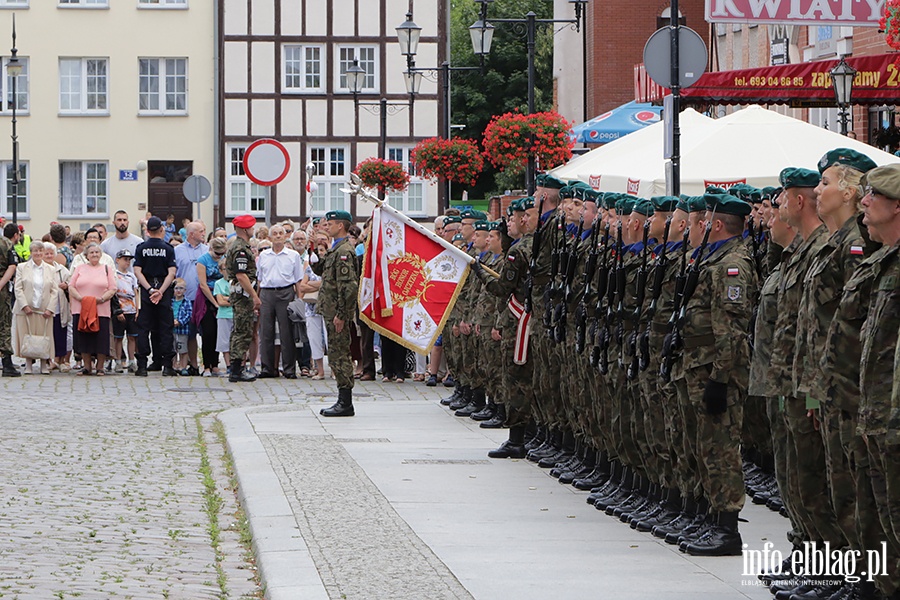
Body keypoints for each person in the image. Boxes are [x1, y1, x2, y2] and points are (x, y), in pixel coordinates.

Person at [311, 210, 359, 416]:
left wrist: (342, 314)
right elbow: (319, 270)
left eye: (330, 224)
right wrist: (312, 248)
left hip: (337, 312)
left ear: (341, 226)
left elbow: (349, 287)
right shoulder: (335, 249)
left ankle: (345, 401)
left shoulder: (345, 251)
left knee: (340, 356)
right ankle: (342, 399)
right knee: (336, 354)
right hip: (330, 310)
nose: (326, 227)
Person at [133, 216, 178, 377]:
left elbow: (137, 271)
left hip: (146, 290)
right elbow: (171, 272)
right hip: (163, 291)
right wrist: (161, 291)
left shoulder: (141, 248)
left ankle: (142, 365)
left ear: (147, 231)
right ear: (161, 229)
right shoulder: (168, 248)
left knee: (144, 327)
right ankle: (167, 366)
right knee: (165, 328)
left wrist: (150, 289)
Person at [257, 224, 303, 379]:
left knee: (287, 332)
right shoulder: (264, 255)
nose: (277, 236)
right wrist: (256, 298)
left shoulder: (293, 255)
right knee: (266, 332)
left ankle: (289, 369)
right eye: (274, 233)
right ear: (270, 237)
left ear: (285, 237)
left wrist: (300, 300)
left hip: (286, 292)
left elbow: (298, 280)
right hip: (267, 293)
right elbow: (259, 278)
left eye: (280, 233)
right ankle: (268, 368)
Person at [68, 243, 117, 376]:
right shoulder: (80, 268)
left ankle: (100, 366)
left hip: (101, 309)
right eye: (91, 252)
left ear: (101, 255)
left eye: (97, 252)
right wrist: (80, 298)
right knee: (84, 338)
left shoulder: (107, 269)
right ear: (86, 255)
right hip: (82, 307)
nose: (94, 255)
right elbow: (71, 286)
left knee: (100, 338)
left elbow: (113, 288)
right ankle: (87, 366)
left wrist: (101, 299)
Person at [13, 240, 59, 374]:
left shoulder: (50, 269)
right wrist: (24, 305)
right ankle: (28, 364)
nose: (38, 253)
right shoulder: (22, 267)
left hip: (44, 309)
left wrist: (50, 308)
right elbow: (18, 288)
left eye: (40, 251)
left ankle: (44, 364)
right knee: (27, 335)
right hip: (27, 309)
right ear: (31, 252)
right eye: (35, 251)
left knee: (44, 336)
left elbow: (54, 290)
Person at [225, 214, 260, 382]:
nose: (253, 230)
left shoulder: (239, 246)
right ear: (245, 229)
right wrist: (254, 296)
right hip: (243, 295)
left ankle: (237, 367)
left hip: (241, 295)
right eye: (252, 227)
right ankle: (237, 369)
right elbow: (241, 275)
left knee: (240, 330)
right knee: (242, 331)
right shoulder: (241, 249)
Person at [174, 221, 208, 376]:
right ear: (191, 233)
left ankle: (201, 364)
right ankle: (186, 364)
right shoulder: (178, 251)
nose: (203, 233)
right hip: (184, 300)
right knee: (187, 334)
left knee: (203, 333)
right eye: (201, 231)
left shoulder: (207, 250)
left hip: (202, 298)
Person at [197, 237, 226, 376]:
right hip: (206, 297)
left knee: (218, 332)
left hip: (222, 294)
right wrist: (214, 302)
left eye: (222, 254)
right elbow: (203, 284)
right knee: (207, 332)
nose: (219, 257)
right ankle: (206, 365)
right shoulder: (202, 260)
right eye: (217, 254)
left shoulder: (225, 259)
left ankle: (215, 364)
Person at [43, 243, 72, 373]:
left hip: (59, 306)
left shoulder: (61, 270)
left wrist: (66, 285)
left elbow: (71, 281)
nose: (49, 256)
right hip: (44, 307)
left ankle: (60, 360)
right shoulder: (40, 269)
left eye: (51, 253)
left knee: (60, 333)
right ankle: (48, 360)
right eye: (46, 253)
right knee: (46, 334)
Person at [299, 247, 325, 379]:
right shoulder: (309, 268)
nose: (319, 253)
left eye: (321, 250)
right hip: (311, 307)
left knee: (329, 339)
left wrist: (312, 283)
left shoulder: (329, 267)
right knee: (314, 339)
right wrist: (319, 284)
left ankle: (334, 369)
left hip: (327, 308)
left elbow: (329, 283)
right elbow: (302, 286)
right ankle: (319, 370)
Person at [112, 249, 140, 373]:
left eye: (129, 260)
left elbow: (136, 292)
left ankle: (132, 361)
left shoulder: (131, 276)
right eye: (125, 259)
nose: (127, 262)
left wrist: (138, 308)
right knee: (118, 337)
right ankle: (118, 360)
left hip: (131, 310)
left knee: (132, 337)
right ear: (118, 260)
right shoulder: (114, 275)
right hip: (120, 309)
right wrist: (118, 310)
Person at [0, 222, 21, 377]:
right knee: (5, 323)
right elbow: (12, 266)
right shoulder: (7, 245)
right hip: (2, 290)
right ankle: (7, 363)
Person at [214, 259, 233, 374]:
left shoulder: (237, 282)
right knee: (224, 341)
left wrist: (227, 298)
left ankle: (239, 364)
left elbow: (241, 301)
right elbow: (220, 301)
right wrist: (231, 299)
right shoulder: (218, 284)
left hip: (236, 314)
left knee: (238, 341)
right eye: (225, 269)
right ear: (221, 271)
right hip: (223, 315)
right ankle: (228, 365)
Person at [171, 278, 193, 374]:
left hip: (183, 329)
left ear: (185, 290)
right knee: (173, 349)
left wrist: (180, 321)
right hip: (172, 329)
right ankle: (174, 365)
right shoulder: (170, 301)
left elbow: (189, 314)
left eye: (181, 288)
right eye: (176, 288)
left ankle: (183, 367)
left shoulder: (187, 302)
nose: (178, 290)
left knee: (183, 349)